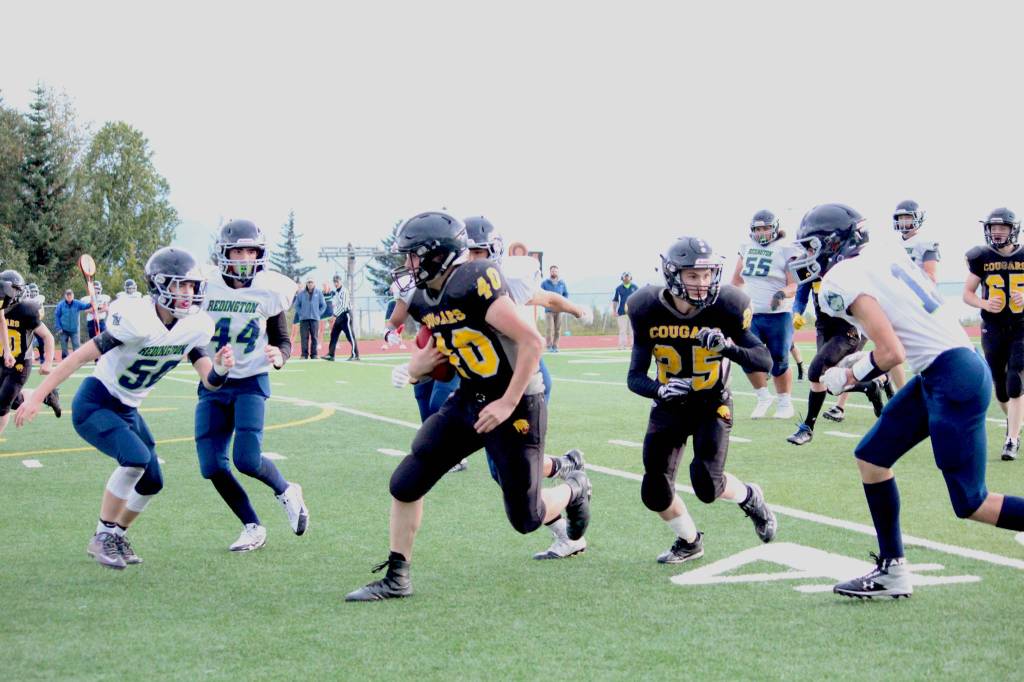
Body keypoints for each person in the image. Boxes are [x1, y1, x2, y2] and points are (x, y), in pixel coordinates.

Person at [346, 211, 592, 601]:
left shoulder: (473, 281)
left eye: (412, 256)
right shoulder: (424, 297)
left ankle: (574, 488)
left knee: (525, 517)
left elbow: (532, 342)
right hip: (472, 395)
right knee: (406, 481)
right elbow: (445, 364)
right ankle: (397, 576)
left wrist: (508, 402)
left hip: (518, 399)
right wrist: (420, 369)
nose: (407, 265)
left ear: (435, 255)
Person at [790, 202, 1024, 599]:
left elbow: (892, 351)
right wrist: (856, 366)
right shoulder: (885, 254)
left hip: (952, 377)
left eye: (813, 246)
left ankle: (892, 569)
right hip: (944, 370)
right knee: (871, 456)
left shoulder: (842, 276)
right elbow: (897, 339)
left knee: (972, 502)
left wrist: (847, 375)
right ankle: (892, 569)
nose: (808, 256)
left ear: (833, 242)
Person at [14, 247, 228, 570]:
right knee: (136, 459)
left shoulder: (195, 326)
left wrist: (222, 370)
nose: (187, 293)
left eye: (190, 286)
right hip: (96, 402)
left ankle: (117, 534)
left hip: (129, 408)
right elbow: (79, 356)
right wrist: (36, 395)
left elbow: (209, 381)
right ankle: (101, 536)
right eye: (179, 285)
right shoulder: (138, 318)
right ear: (159, 285)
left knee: (153, 479)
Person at [626, 236, 777, 564]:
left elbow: (764, 361)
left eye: (707, 275)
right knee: (654, 491)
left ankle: (751, 497)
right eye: (692, 276)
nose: (701, 283)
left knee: (708, 485)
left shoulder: (727, 306)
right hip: (670, 405)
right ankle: (689, 541)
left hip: (712, 403)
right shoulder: (646, 307)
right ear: (672, 274)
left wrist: (728, 349)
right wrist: (659, 390)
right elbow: (634, 377)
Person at [197, 220, 308, 552]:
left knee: (246, 458)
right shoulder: (205, 285)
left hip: (251, 381)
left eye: (251, 251)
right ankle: (252, 526)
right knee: (212, 465)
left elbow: (283, 340)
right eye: (238, 250)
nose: (245, 258)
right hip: (215, 382)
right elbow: (192, 335)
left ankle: (286, 491)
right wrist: (209, 363)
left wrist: (280, 355)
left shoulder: (269, 289)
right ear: (224, 253)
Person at [786, 259, 888, 447]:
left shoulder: (849, 268)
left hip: (848, 329)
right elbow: (801, 295)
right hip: (824, 327)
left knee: (816, 373)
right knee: (829, 381)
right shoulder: (812, 266)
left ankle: (807, 427)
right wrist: (797, 312)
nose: (808, 253)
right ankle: (871, 386)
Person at [963, 207, 1024, 461]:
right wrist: (984, 304)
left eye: (1002, 228)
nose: (997, 232)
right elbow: (967, 293)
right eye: (993, 228)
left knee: (1015, 380)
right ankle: (1015, 424)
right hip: (993, 327)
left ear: (1013, 230)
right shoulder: (981, 256)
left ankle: (1012, 439)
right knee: (999, 387)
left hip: (1021, 325)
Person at [731, 210, 798, 419]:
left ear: (775, 228)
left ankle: (785, 402)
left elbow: (795, 283)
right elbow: (736, 281)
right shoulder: (746, 247)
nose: (762, 233)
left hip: (778, 314)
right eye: (758, 229)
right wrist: (735, 302)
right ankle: (762, 396)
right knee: (746, 357)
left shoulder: (785, 249)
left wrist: (782, 293)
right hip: (752, 314)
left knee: (779, 359)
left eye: (766, 228)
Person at [0, 270, 61, 437]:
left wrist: (48, 362)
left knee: (2, 403)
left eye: (4, 290)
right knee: (8, 398)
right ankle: (46, 396)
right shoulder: (2, 307)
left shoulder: (26, 310)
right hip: (3, 359)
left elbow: (47, 337)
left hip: (20, 363)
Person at [325, 274, 360, 361]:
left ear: (340, 281)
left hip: (346, 315)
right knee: (334, 334)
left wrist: (334, 315)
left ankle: (355, 354)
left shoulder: (344, 291)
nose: (336, 283)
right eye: (335, 282)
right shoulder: (337, 292)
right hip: (339, 316)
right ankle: (331, 354)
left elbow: (344, 306)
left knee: (350, 335)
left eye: (337, 281)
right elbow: (336, 304)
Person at [54, 289, 92, 360]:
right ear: (65, 296)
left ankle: (76, 360)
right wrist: (58, 327)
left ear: (73, 295)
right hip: (63, 330)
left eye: (70, 295)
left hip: (74, 330)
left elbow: (86, 306)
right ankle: (65, 361)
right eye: (67, 295)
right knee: (64, 347)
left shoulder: (77, 303)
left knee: (76, 346)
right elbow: (57, 316)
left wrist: (92, 302)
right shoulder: (60, 305)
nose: (69, 296)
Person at [294, 277, 326, 359]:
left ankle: (314, 354)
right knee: (304, 337)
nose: (310, 284)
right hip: (303, 319)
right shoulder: (301, 293)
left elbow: (323, 305)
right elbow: (297, 305)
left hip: (315, 319)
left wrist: (318, 314)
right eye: (308, 282)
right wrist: (301, 314)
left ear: (314, 283)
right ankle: (304, 355)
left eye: (311, 282)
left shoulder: (318, 293)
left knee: (314, 337)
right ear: (306, 283)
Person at [540, 265, 569, 352]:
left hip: (559, 310)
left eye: (555, 271)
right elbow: (540, 293)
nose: (554, 272)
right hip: (549, 310)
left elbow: (566, 294)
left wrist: (564, 304)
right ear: (550, 272)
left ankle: (555, 346)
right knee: (549, 328)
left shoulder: (562, 283)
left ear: (558, 272)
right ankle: (549, 346)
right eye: (552, 271)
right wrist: (545, 304)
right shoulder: (545, 283)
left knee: (558, 329)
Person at [612, 272, 639, 349]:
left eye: (628, 276)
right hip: (621, 312)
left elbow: (638, 299)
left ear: (631, 277)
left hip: (633, 312)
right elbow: (615, 300)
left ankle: (633, 345)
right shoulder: (618, 288)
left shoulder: (635, 287)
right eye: (625, 277)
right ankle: (622, 345)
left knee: (633, 330)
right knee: (622, 330)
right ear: (622, 278)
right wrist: (614, 311)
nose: (627, 278)